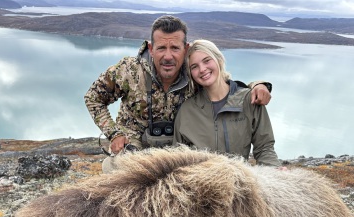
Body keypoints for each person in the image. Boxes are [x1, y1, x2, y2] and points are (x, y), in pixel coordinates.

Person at [84, 15, 273, 172]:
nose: (168, 56)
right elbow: (93, 98)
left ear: (185, 48)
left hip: (180, 149)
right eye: (161, 48)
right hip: (135, 146)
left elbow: (222, 85)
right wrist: (115, 134)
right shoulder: (128, 70)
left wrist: (257, 86)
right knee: (115, 169)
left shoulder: (193, 72)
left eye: (175, 48)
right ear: (151, 48)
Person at [173, 39, 281, 167]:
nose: (202, 69)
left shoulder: (249, 100)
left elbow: (264, 149)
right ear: (191, 74)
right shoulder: (187, 110)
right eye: (194, 67)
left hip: (239, 179)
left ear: (219, 60)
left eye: (207, 61)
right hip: (199, 180)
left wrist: (274, 172)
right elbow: (178, 160)